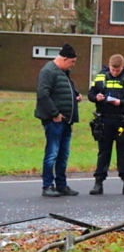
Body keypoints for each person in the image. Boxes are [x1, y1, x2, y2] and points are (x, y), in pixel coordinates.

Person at [88, 54, 124, 195]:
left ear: (122, 67)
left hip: (123, 120)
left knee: (123, 153)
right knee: (103, 153)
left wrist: (121, 102)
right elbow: (91, 94)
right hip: (104, 120)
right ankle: (98, 183)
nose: (115, 72)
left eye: (117, 71)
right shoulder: (101, 76)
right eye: (113, 70)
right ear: (109, 66)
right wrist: (96, 98)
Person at [35, 44, 83, 197]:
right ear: (64, 59)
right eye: (72, 62)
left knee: (63, 154)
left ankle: (61, 185)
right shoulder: (48, 71)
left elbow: (62, 91)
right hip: (54, 120)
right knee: (52, 153)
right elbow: (43, 94)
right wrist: (54, 113)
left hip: (67, 120)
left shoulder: (63, 72)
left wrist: (75, 97)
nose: (73, 65)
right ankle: (47, 185)